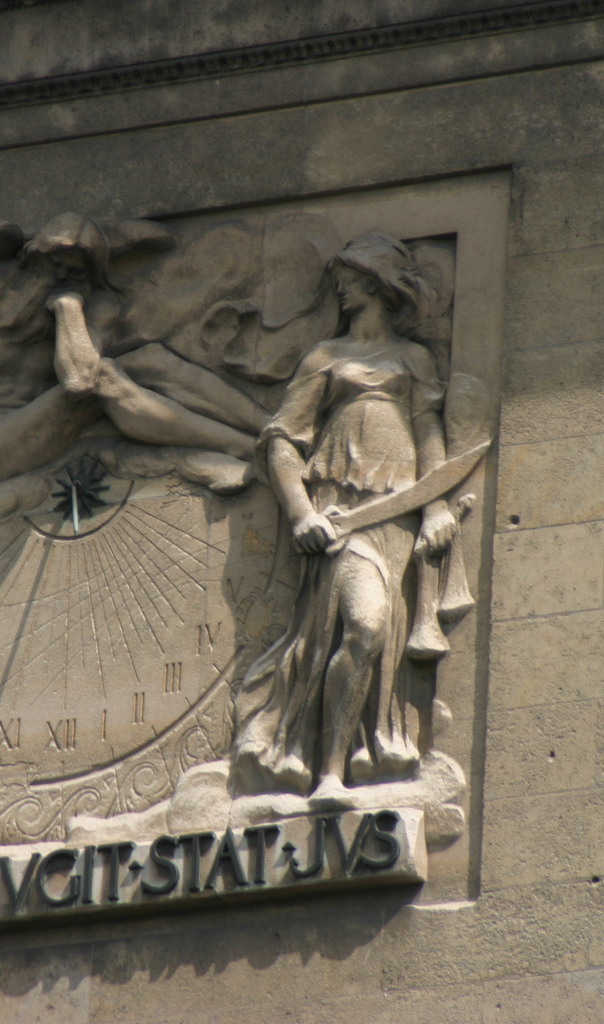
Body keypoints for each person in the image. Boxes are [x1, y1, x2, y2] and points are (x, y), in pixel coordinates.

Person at [230, 234, 459, 802]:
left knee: (376, 637)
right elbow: (283, 440)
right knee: (365, 624)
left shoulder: (414, 358)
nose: (341, 288)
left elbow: (429, 433)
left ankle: (349, 759)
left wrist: (435, 505)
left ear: (378, 282)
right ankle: (326, 772)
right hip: (339, 511)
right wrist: (301, 513)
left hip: (396, 513)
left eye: (352, 278)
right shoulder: (324, 358)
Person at [0, 213, 266, 497]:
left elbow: (77, 375)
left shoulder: (95, 307)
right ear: (31, 260)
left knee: (149, 358)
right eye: (53, 267)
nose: (59, 279)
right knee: (104, 379)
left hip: (27, 428)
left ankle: (267, 426)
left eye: (73, 273)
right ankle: (241, 448)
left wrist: (67, 306)